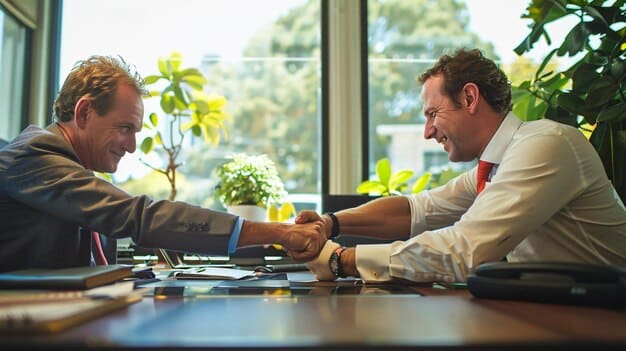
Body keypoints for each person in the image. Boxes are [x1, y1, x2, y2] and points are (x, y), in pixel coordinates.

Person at [300, 48, 626, 283]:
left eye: (432, 114)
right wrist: (331, 224)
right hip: (562, 312)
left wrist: (341, 260)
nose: (428, 132)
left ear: (469, 98)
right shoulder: (499, 163)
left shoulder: (546, 145)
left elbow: (465, 251)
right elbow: (419, 210)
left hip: (605, 322)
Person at [0, 55, 326, 272]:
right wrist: (277, 232)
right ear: (84, 113)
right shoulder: (33, 155)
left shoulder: (74, 172)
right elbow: (136, 216)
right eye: (124, 128)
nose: (131, 146)